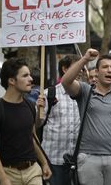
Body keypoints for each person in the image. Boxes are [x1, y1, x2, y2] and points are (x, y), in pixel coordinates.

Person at [61, 48, 111, 185]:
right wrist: (85, 59)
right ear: (97, 72)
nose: (109, 70)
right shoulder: (85, 91)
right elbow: (66, 81)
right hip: (89, 157)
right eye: (105, 67)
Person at [0, 58, 52, 185]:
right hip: (9, 173)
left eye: (29, 75)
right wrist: (2, 177)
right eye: (25, 75)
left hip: (33, 171)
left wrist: (44, 163)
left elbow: (32, 138)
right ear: (11, 81)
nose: (31, 79)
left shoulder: (30, 105)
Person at [40, 54, 81, 185]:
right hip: (53, 160)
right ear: (64, 69)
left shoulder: (85, 94)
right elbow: (37, 124)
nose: (80, 70)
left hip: (77, 161)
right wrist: (38, 111)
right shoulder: (49, 94)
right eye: (77, 66)